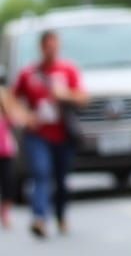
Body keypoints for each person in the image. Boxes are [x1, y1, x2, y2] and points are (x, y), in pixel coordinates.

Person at [10, 29, 88, 237]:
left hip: (62, 134)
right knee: (41, 172)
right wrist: (26, 117)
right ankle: (39, 218)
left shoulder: (67, 70)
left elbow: (83, 98)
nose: (51, 50)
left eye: (54, 45)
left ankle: (61, 216)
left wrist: (65, 95)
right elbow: (11, 101)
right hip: (38, 134)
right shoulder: (29, 74)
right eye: (47, 46)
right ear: (41, 47)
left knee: (61, 179)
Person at [0, 84, 18, 229]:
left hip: (6, 153)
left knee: (8, 184)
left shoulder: (6, 115)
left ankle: (5, 212)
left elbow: (17, 121)